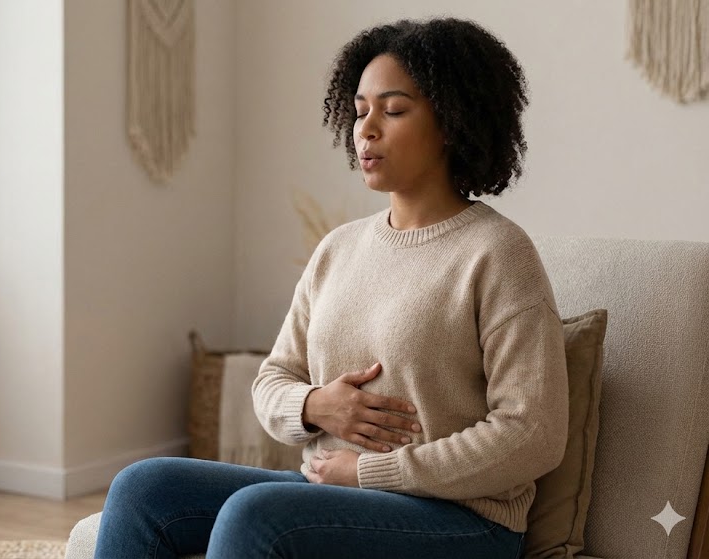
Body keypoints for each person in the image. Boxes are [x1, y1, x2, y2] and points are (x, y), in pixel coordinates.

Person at [94, 17, 568, 559]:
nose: (365, 129)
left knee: (256, 517)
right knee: (144, 488)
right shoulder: (338, 249)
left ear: (451, 121)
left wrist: (373, 472)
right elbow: (273, 379)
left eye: (392, 111)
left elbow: (533, 431)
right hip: (331, 494)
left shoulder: (498, 252)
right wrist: (317, 405)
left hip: (460, 519)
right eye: (360, 111)